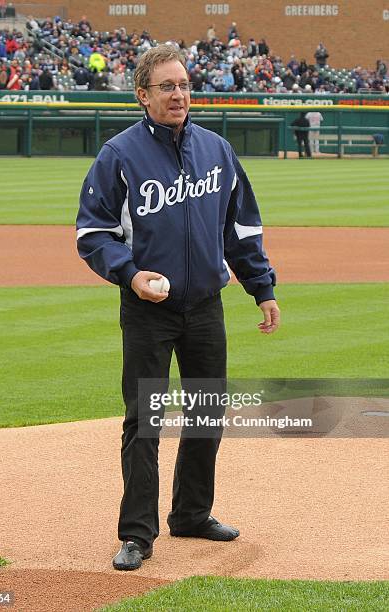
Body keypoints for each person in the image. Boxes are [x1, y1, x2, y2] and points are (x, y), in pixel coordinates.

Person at [76, 45, 280, 572]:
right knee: (144, 420)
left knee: (207, 413)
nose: (179, 94)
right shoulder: (119, 156)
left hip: (205, 304)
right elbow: (93, 232)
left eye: (184, 85)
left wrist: (261, 287)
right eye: (166, 86)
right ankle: (136, 534)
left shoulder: (217, 150)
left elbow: (242, 229)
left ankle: (192, 513)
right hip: (148, 307)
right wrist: (129, 272)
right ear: (143, 95)